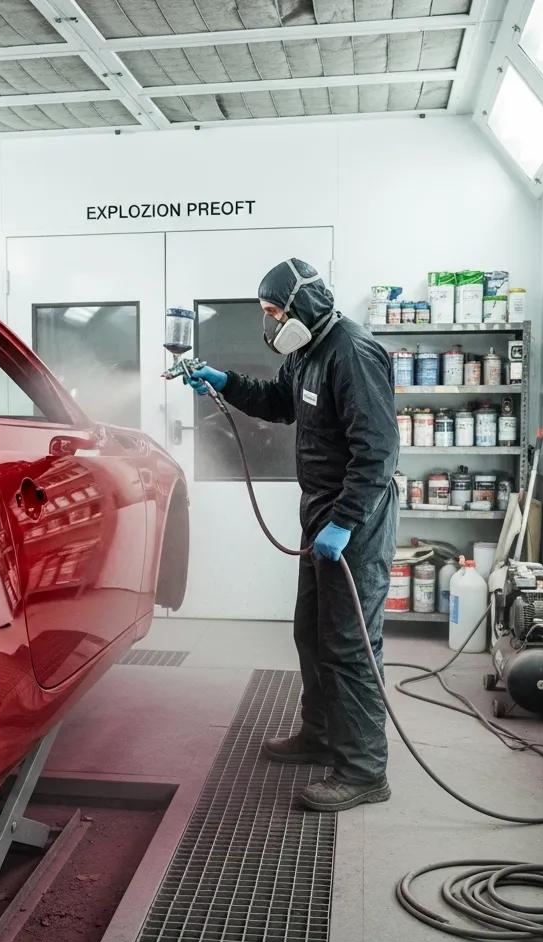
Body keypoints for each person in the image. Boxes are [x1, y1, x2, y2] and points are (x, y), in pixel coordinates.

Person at [186, 258, 399, 812]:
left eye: (275, 312)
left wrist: (346, 521)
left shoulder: (352, 353)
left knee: (350, 645)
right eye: (267, 314)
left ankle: (364, 770)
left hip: (356, 520)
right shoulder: (306, 353)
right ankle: (321, 734)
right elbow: (281, 404)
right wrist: (226, 383)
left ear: (304, 303)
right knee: (311, 631)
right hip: (322, 514)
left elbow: (377, 451)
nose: (272, 323)